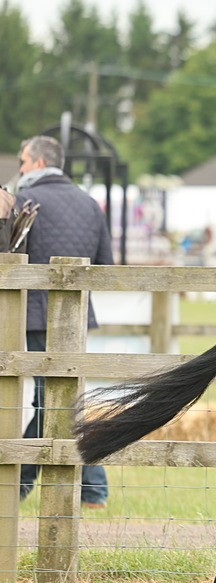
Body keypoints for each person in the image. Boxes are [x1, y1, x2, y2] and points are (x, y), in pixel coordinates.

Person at [15, 135, 109, 508]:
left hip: (38, 313)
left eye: (23, 162)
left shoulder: (26, 201)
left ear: (38, 163)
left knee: (50, 399)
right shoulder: (90, 204)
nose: (20, 169)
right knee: (63, 398)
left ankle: (24, 483)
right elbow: (105, 263)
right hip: (79, 314)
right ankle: (91, 490)